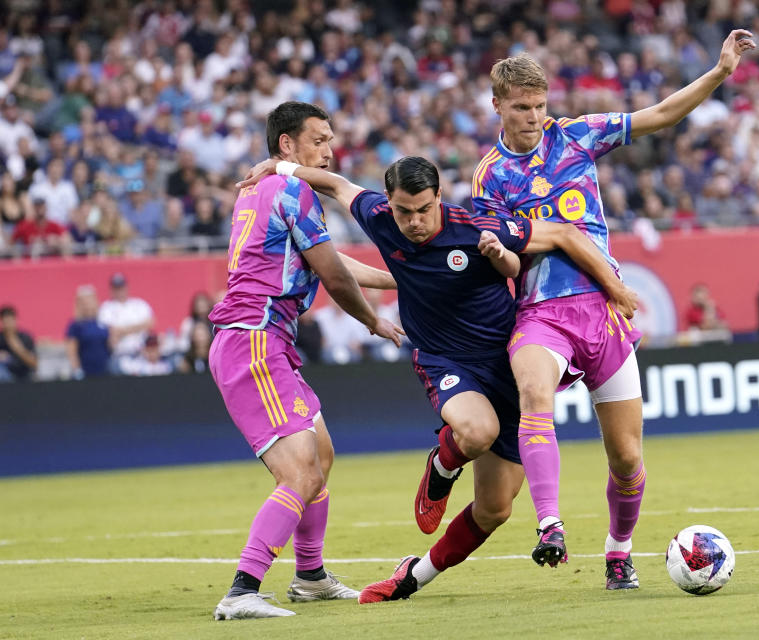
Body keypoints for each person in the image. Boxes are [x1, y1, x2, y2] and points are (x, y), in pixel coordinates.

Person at [237, 154, 635, 603]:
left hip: (505, 362)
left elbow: (560, 235)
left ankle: (414, 575)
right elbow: (336, 184)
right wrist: (280, 168)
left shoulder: (475, 225)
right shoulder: (379, 218)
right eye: (404, 211)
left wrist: (597, 283)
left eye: (424, 209)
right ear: (388, 203)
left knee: (496, 508)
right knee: (477, 430)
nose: (414, 221)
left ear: (439, 198)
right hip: (445, 361)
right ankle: (444, 462)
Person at [470, 30, 756, 589]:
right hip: (540, 312)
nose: (533, 116)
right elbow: (507, 259)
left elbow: (662, 114)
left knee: (626, 458)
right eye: (521, 107)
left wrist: (720, 72)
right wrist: (500, 252)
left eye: (539, 105)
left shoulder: (577, 136)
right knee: (534, 395)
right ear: (497, 105)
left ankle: (618, 552)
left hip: (603, 312)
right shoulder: (490, 177)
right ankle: (549, 524)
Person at [208, 101, 403, 620]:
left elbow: (331, 263)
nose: (329, 149)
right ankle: (243, 589)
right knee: (299, 473)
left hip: (269, 343)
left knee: (321, 455)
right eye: (318, 140)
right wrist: (374, 320)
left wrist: (399, 280)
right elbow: (335, 278)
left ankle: (311, 576)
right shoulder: (293, 189)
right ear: (286, 146)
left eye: (330, 139)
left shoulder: (262, 189)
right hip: (254, 341)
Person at [97, 272, 155, 363]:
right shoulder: (106, 308)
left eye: (121, 287)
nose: (120, 291)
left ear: (126, 287)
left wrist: (123, 331)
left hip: (142, 354)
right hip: (120, 355)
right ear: (111, 290)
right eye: (116, 288)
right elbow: (111, 331)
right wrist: (138, 327)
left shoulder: (139, 304)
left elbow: (151, 323)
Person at [65, 285, 111, 378]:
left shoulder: (103, 322)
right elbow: (72, 351)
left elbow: (109, 345)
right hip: (85, 371)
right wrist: (77, 370)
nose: (87, 304)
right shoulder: (75, 325)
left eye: (90, 300)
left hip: (104, 370)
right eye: (84, 302)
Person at [0, 305, 37, 382]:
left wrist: (17, 348)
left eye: (10, 321)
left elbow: (34, 363)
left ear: (15, 320)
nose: (8, 325)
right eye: (5, 321)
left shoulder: (25, 338)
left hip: (24, 376)